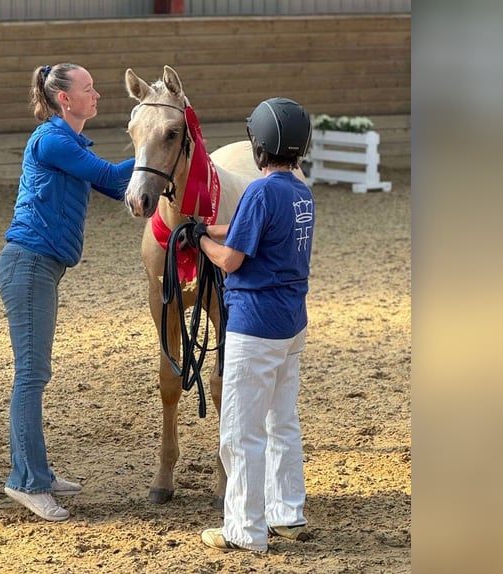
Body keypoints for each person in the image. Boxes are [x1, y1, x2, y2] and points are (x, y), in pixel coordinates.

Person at [0, 63, 134, 522]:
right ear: (65, 100)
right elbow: (115, 178)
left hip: (40, 267)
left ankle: (35, 471)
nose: (97, 94)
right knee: (31, 376)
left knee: (34, 375)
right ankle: (27, 482)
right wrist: (161, 148)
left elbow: (116, 191)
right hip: (29, 264)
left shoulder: (68, 143)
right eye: (88, 88)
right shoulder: (53, 140)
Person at [192, 97, 315, 551]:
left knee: (241, 431)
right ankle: (288, 512)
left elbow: (230, 259)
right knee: (281, 420)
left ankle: (244, 530)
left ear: (258, 147)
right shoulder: (299, 191)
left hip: (255, 325)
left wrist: (201, 241)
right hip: (291, 323)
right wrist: (208, 228)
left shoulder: (261, 192)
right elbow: (247, 228)